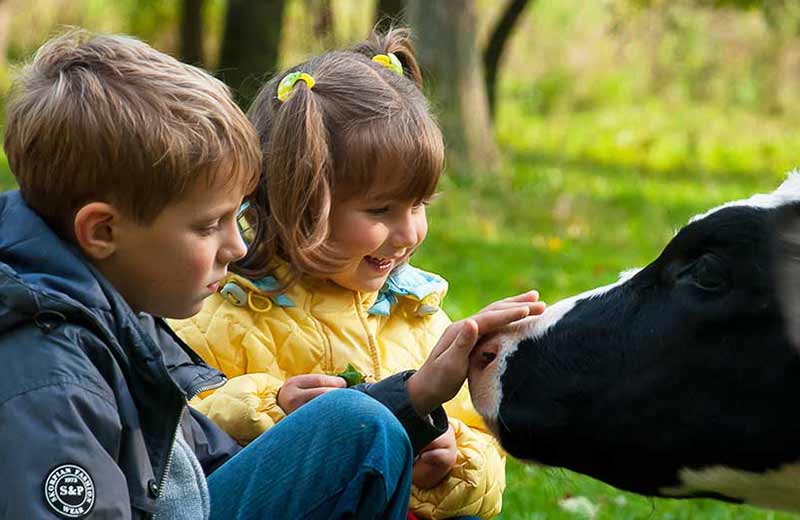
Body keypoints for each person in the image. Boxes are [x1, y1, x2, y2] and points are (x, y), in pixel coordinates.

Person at [0, 29, 543, 520]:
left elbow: (224, 463)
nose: (235, 245)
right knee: (356, 425)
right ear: (102, 232)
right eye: (209, 224)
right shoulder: (51, 377)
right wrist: (355, 415)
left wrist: (414, 405)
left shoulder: (118, 318)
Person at [170, 28, 543, 520]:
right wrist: (273, 407)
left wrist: (452, 464)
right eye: (380, 210)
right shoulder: (222, 309)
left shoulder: (417, 315)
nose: (408, 232)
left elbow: (485, 457)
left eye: (419, 205)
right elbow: (176, 433)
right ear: (297, 201)